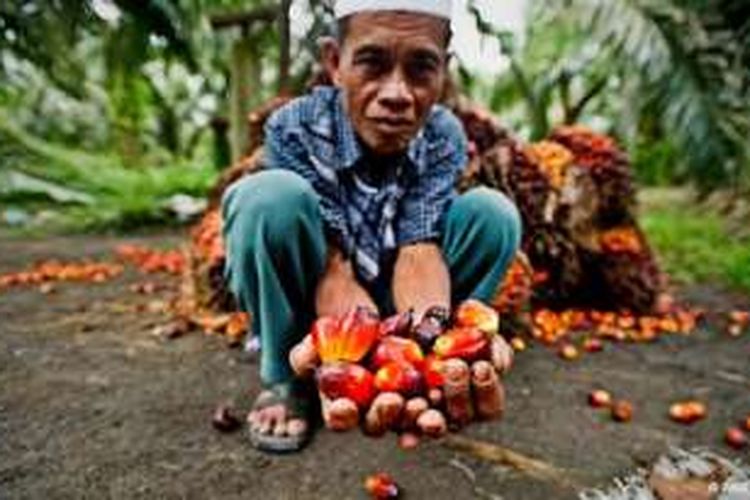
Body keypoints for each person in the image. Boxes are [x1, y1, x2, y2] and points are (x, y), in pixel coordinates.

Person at [221, 0, 522, 452]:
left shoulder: (443, 134)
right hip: (318, 291)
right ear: (335, 63)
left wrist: (422, 355)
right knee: (268, 200)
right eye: (372, 63)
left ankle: (442, 357)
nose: (397, 93)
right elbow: (333, 269)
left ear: (445, 70)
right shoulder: (294, 127)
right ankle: (285, 377)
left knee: (492, 215)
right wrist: (358, 353)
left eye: (421, 68)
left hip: (395, 299)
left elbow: (419, 250)